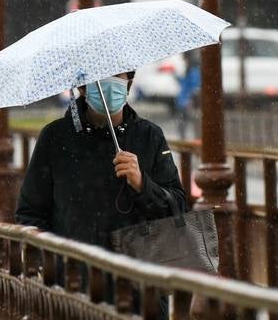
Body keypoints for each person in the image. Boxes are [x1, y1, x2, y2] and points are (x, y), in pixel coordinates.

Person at [16, 72, 187, 251]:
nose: (109, 83)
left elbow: (178, 208)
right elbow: (30, 213)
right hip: (74, 263)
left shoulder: (149, 136)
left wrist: (142, 185)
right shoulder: (55, 137)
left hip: (134, 263)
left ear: (128, 84)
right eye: (100, 76)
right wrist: (52, 256)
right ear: (82, 87)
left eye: (117, 75)